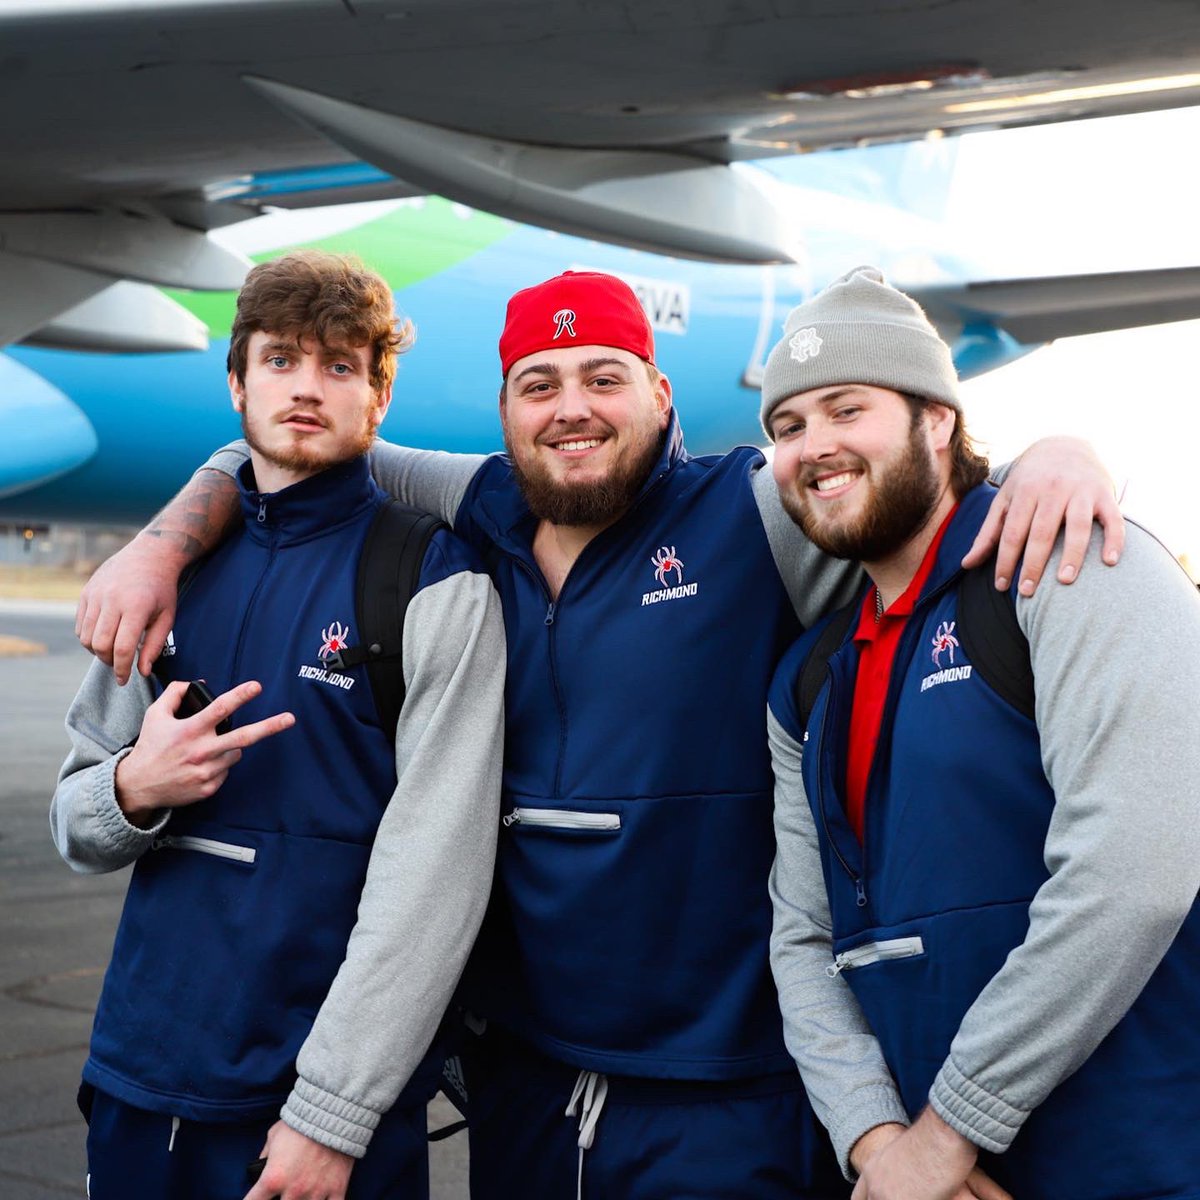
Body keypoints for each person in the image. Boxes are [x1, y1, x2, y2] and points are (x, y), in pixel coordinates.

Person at [76, 269, 1123, 1198]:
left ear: (660, 396)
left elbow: (916, 500)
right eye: (541, 384)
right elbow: (286, 440)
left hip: (723, 1090)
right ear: (505, 412)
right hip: (525, 1080)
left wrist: (1060, 457)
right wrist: (157, 549)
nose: (571, 408)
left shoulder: (755, 512)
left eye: (604, 377)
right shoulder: (482, 506)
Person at [52, 250, 506, 1200]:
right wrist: (132, 790)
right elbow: (75, 825)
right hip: (140, 1075)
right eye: (281, 360)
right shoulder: (167, 573)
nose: (307, 388)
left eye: (341, 367)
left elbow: (437, 875)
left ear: (378, 400)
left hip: (312, 1113)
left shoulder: (431, 578)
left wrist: (332, 1112)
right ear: (237, 382)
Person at [763, 266, 1200, 1200]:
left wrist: (952, 1126)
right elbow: (804, 938)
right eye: (788, 427)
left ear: (938, 420)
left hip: (1139, 1161)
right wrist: (878, 1143)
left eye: (848, 409)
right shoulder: (806, 681)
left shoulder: (1078, 570)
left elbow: (1135, 874)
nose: (815, 447)